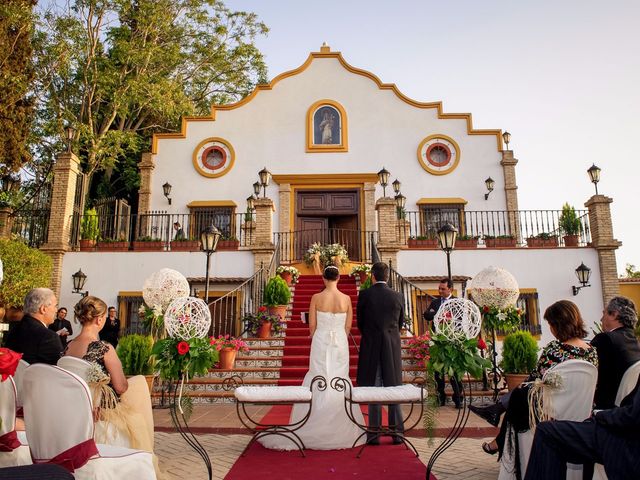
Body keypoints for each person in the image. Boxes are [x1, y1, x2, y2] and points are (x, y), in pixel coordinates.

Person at [475, 300, 598, 463]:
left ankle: (498, 429)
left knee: (519, 397)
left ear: (557, 324)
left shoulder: (555, 349)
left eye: (550, 324)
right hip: (581, 407)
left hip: (549, 410)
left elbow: (535, 378)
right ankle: (498, 423)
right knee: (519, 396)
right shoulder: (592, 352)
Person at [259, 265, 365, 450]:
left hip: (321, 340)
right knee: (339, 376)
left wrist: (316, 334)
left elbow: (312, 325)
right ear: (338, 278)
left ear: (324, 278)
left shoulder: (316, 297)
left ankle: (314, 416)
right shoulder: (346, 298)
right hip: (340, 341)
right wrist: (340, 336)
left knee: (319, 375)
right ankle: (339, 420)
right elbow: (348, 326)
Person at [65, 296, 154, 453]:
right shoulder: (104, 348)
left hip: (73, 409)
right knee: (138, 383)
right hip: (100, 412)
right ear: (99, 320)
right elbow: (120, 387)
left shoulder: (66, 347)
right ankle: (145, 451)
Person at [524, 376, 640, 480]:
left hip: (628, 444)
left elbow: (633, 415)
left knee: (547, 432)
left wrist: (600, 414)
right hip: (628, 433)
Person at [356, 261, 405, 444]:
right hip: (391, 345)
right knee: (394, 388)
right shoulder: (398, 296)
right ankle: (397, 433)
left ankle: (374, 433)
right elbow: (400, 323)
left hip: (371, 345)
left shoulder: (365, 295)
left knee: (374, 389)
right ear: (388, 277)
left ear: (372, 276)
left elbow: (360, 322)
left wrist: (370, 334)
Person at [591, 296, 640, 409]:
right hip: (629, 407)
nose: (601, 319)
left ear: (614, 315)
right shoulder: (635, 342)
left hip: (605, 409)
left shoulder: (605, 339)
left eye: (604, 314)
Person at [423, 279, 463, 408]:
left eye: (443, 289)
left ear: (450, 289)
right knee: (438, 372)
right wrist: (434, 314)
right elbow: (427, 315)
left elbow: (461, 320)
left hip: (452, 342)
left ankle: (458, 399)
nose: (440, 291)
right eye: (439, 288)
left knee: (455, 373)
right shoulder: (435, 302)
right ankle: (441, 397)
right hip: (438, 342)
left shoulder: (458, 302)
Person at [5, 288, 63, 365]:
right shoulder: (48, 337)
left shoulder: (13, 329)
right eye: (55, 306)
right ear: (43, 309)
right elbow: (59, 371)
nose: (56, 310)